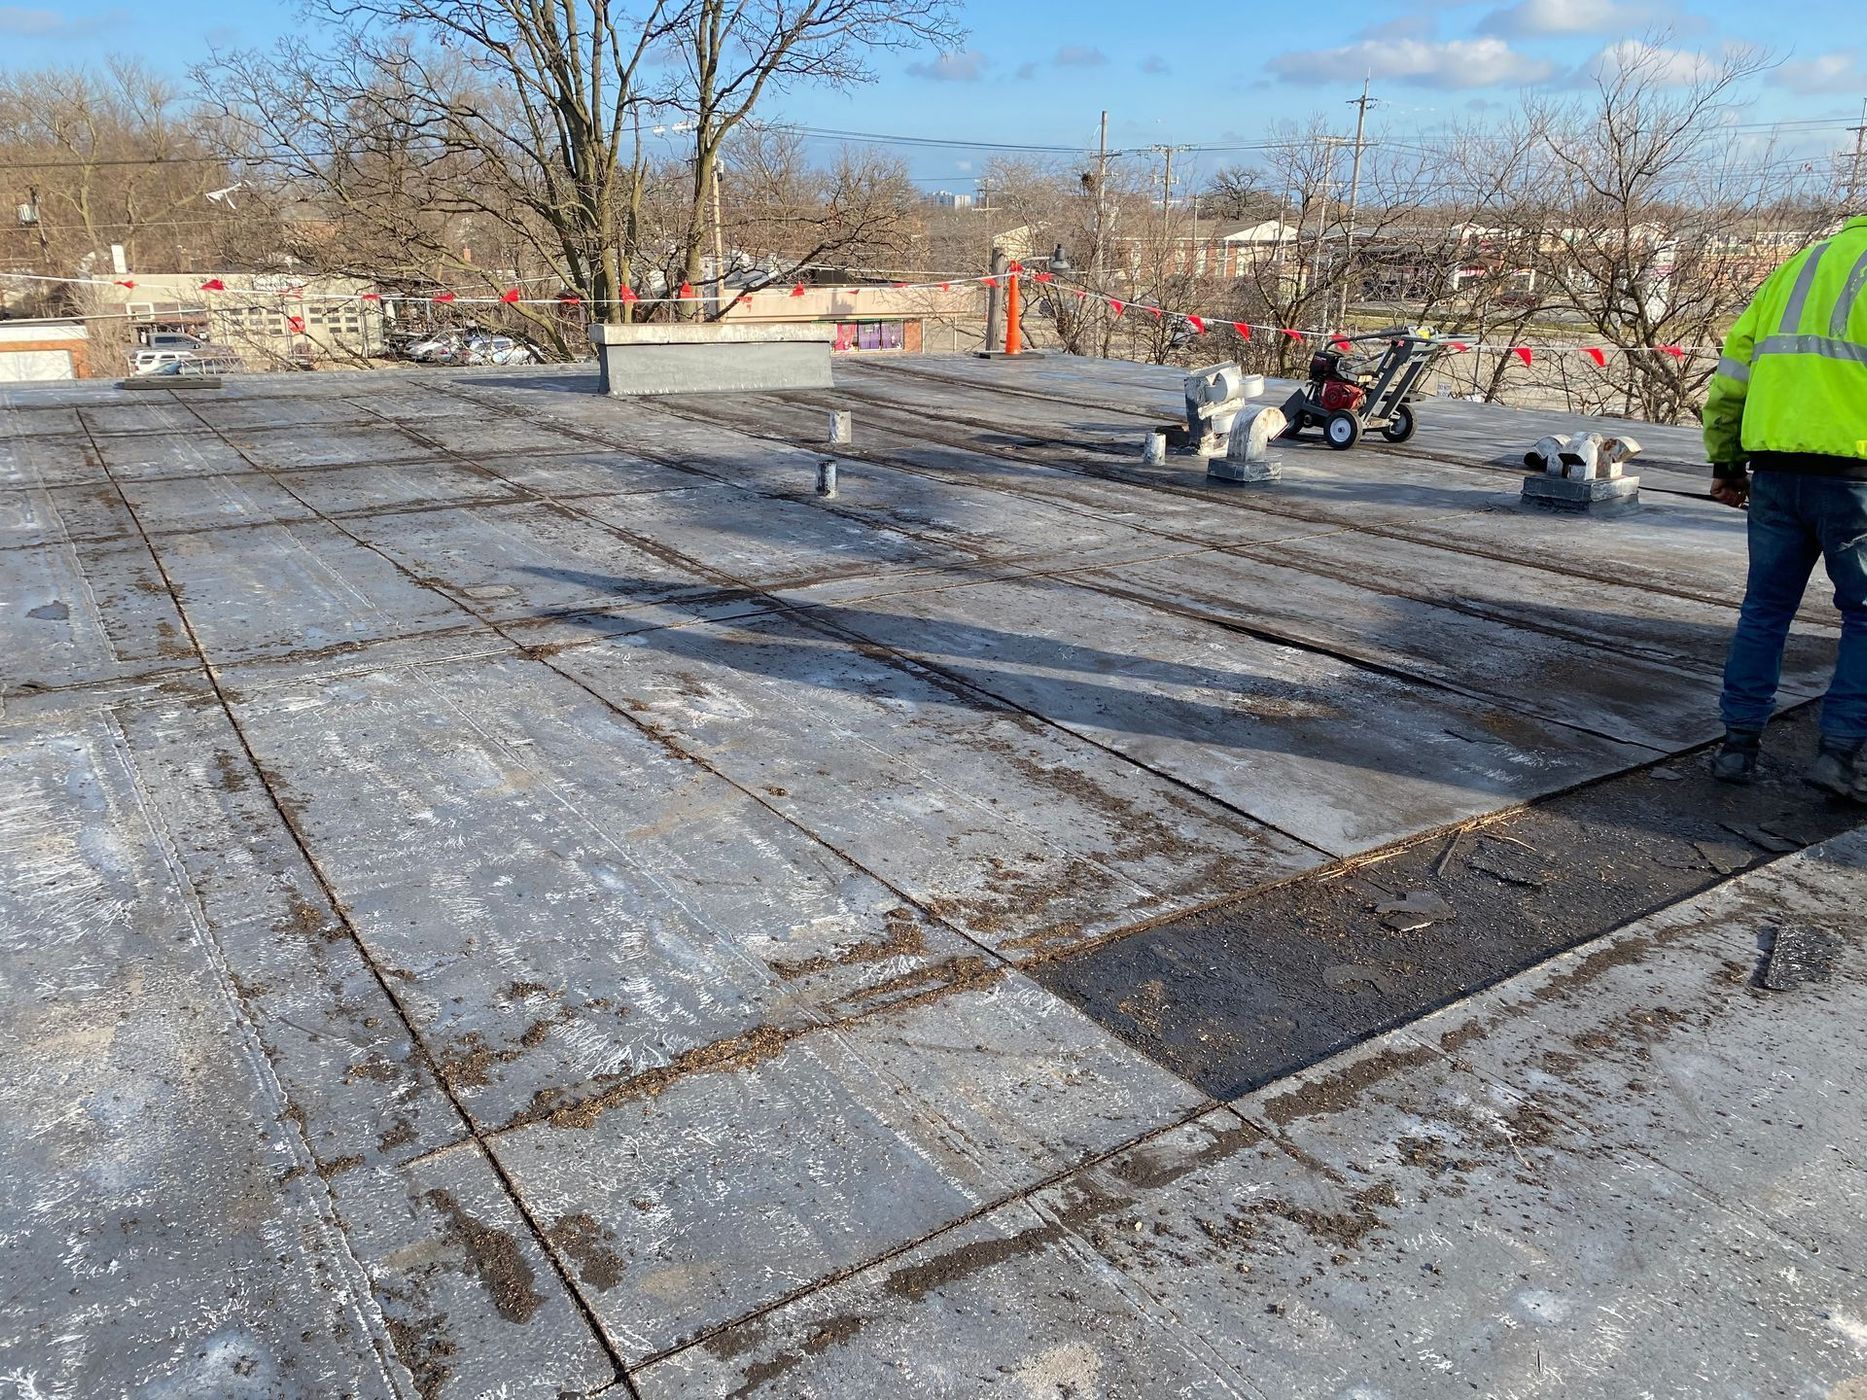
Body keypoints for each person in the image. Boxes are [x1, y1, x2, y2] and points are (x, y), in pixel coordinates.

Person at [1703, 213, 1867, 801]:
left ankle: (1737, 747)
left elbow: (1733, 373)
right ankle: (1839, 756)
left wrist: (1726, 461)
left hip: (1774, 470)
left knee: (1765, 611)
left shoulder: (1797, 267)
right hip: (1856, 476)